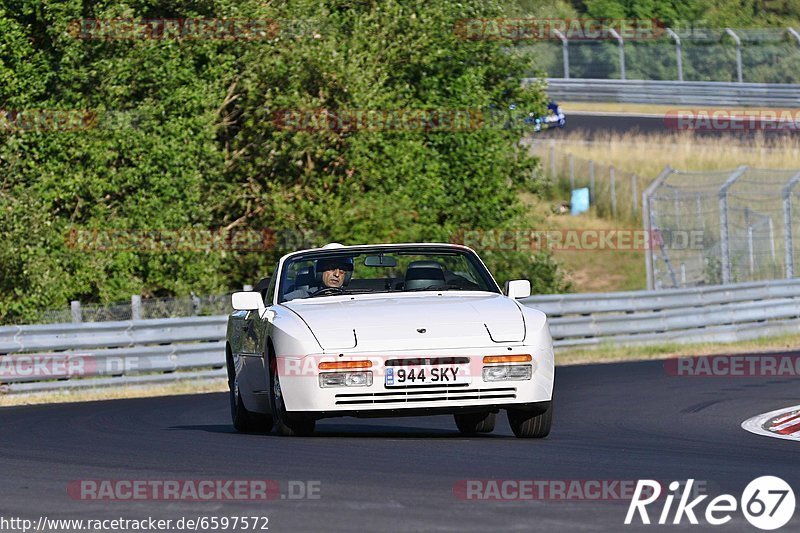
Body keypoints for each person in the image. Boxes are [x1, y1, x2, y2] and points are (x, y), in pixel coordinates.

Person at [283, 256, 354, 301]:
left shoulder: (354, 297)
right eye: (331, 268)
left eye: (342, 271)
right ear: (320, 272)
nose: (337, 274)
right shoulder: (301, 296)